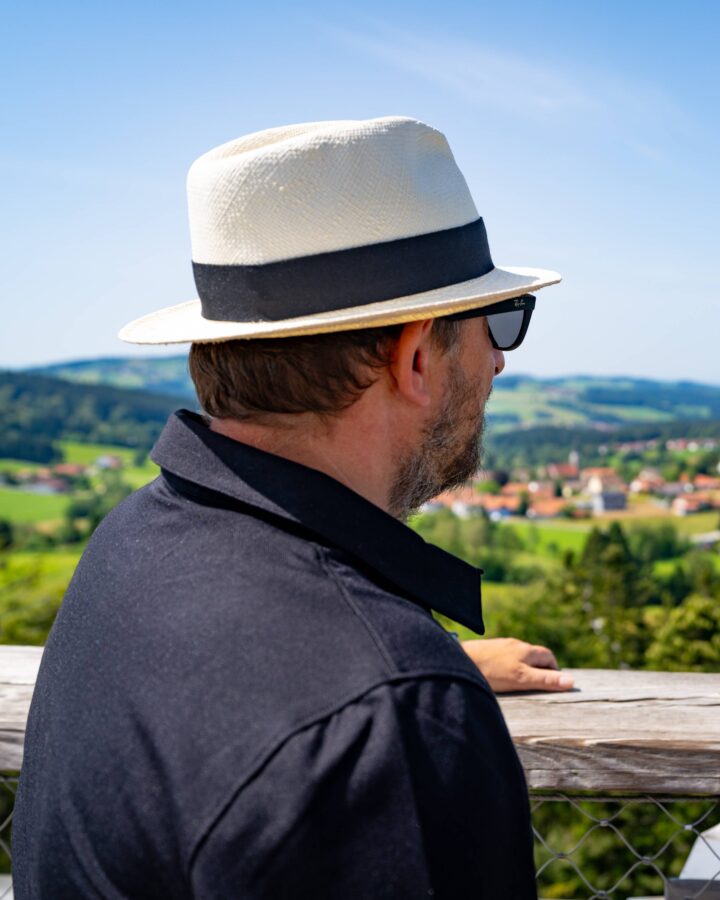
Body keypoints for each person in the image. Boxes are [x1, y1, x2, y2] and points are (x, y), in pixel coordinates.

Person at [14, 116, 567, 898]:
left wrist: (413, 669)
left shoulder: (135, 545)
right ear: (414, 356)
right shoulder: (387, 726)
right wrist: (400, 686)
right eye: (495, 319)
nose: (502, 358)